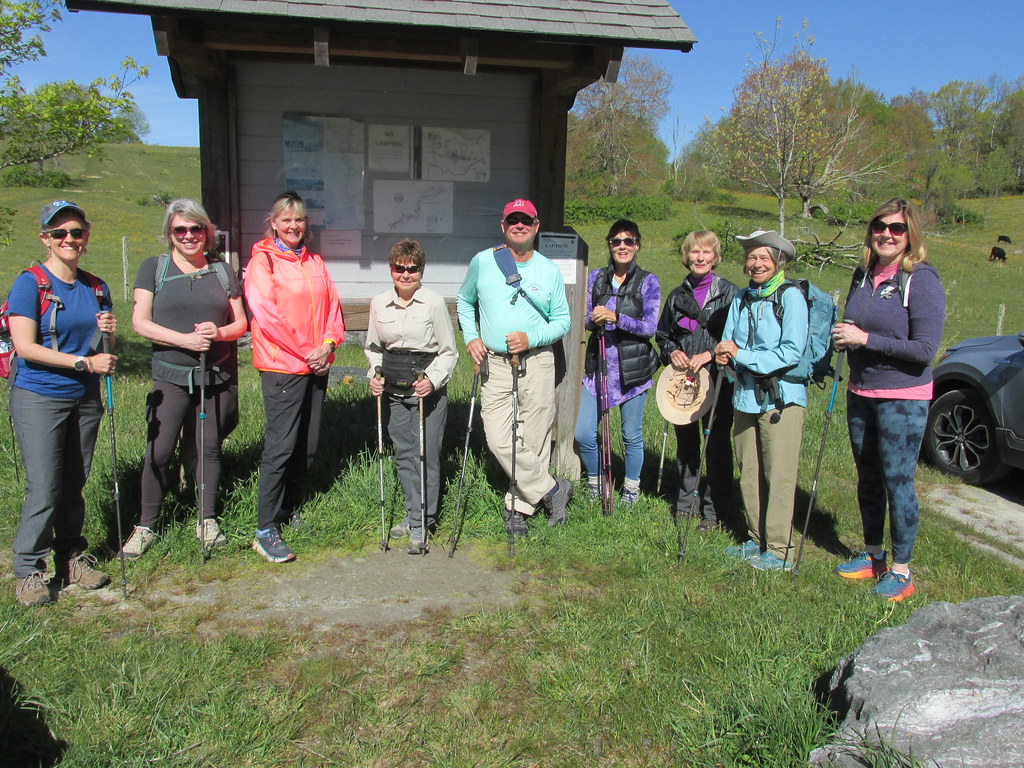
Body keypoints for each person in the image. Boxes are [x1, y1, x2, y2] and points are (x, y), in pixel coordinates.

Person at [832, 198, 945, 602]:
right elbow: (854, 324)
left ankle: (901, 569)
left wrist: (866, 339)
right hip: (861, 391)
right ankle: (873, 555)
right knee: (869, 478)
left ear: (910, 233)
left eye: (896, 228)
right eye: (880, 226)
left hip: (903, 396)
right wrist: (844, 333)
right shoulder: (862, 275)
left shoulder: (921, 279)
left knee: (898, 482)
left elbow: (924, 349)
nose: (886, 234)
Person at [7, 201, 118, 606]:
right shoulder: (30, 283)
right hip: (39, 395)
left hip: (84, 397)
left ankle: (71, 556)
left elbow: (104, 352)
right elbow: (25, 347)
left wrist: (107, 337)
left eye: (76, 232)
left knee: (75, 481)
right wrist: (84, 362)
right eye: (60, 233)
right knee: (45, 486)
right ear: (45, 239)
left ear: (87, 236)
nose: (69, 239)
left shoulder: (97, 287)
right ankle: (29, 569)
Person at [122, 199, 248, 559]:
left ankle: (206, 520)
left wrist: (219, 332)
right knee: (159, 451)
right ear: (170, 234)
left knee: (208, 448)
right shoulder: (154, 268)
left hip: (213, 375)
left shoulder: (222, 271)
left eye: (197, 229)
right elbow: (140, 322)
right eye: (181, 230)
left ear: (207, 232)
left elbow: (240, 323)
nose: (189, 236)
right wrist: (184, 341)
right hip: (171, 375)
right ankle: (146, 524)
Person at [456, 198, 573, 537]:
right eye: (513, 221)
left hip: (537, 361)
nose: (519, 226)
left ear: (536, 227)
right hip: (494, 362)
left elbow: (562, 321)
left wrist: (532, 338)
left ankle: (518, 507)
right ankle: (552, 490)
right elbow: (465, 301)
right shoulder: (483, 262)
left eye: (526, 221)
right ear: (503, 226)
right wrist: (472, 337)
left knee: (534, 434)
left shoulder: (548, 270)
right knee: (498, 436)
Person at [244, 191, 345, 563]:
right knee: (281, 447)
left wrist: (328, 345)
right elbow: (267, 317)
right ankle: (264, 528)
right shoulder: (263, 262)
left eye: (299, 220)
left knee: (308, 444)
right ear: (273, 223)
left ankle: (288, 508)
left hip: (317, 365)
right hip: (282, 366)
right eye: (285, 220)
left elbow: (333, 309)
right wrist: (308, 352)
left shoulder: (314, 261)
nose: (293, 226)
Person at [715, 230, 807, 571]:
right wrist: (725, 356)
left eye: (763, 258)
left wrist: (743, 355)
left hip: (780, 399)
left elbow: (792, 351)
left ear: (778, 262)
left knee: (778, 474)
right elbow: (728, 341)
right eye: (752, 258)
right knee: (749, 471)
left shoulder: (790, 298)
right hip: (744, 397)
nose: (756, 264)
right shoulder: (742, 298)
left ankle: (780, 550)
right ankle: (756, 539)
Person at [366, 239, 458, 553]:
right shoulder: (378, 303)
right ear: (391, 269)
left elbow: (449, 352)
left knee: (426, 454)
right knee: (404, 455)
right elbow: (373, 348)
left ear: (421, 270)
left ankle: (424, 520)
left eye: (413, 269)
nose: (406, 274)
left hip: (426, 391)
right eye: (399, 268)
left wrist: (432, 381)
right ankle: (412, 514)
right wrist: (374, 375)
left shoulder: (434, 303)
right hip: (393, 391)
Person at [656, 230, 738, 530]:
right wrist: (673, 351)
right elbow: (663, 336)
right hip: (683, 384)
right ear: (686, 256)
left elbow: (737, 338)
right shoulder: (677, 296)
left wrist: (711, 352)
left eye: (706, 252)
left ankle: (715, 512)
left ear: (715, 257)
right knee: (687, 445)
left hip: (719, 380)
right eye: (694, 252)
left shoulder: (731, 294)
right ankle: (685, 504)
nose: (700, 258)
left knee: (716, 443)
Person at [574, 219, 660, 505]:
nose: (622, 246)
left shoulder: (648, 281)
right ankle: (597, 481)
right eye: (616, 241)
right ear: (609, 244)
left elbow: (649, 327)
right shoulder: (596, 277)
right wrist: (593, 319)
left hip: (633, 371)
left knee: (631, 435)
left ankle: (631, 489)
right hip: (598, 368)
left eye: (629, 241)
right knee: (583, 431)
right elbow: (585, 320)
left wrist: (616, 318)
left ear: (637, 245)